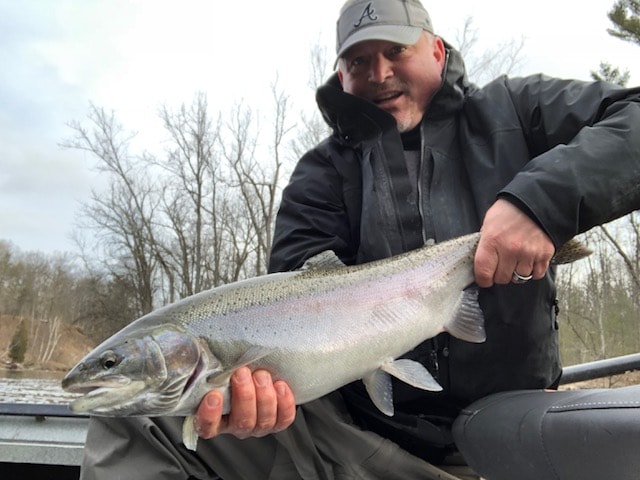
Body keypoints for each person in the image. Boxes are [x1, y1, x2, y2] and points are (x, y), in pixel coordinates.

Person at [79, 0, 640, 479]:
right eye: (358, 61)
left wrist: (540, 203)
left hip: (508, 429)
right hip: (359, 437)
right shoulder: (321, 172)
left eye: (396, 51)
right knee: (134, 422)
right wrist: (259, 402)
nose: (379, 72)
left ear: (437, 50)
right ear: (340, 75)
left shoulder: (517, 110)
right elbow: (295, 290)